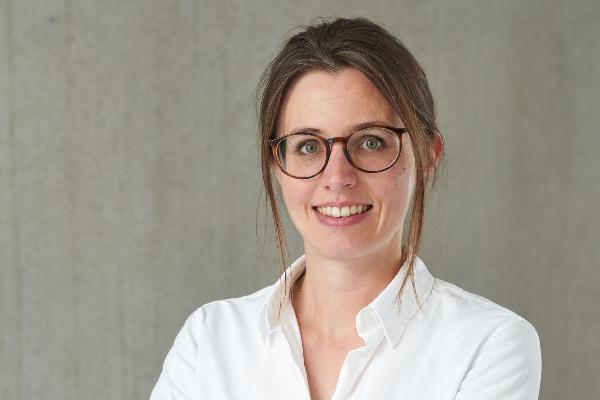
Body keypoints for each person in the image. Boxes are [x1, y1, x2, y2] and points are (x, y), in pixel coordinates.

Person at [149, 17, 542, 400]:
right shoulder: (210, 341)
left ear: (426, 154)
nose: (337, 177)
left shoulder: (489, 344)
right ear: (276, 165)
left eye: (371, 142)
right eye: (307, 146)